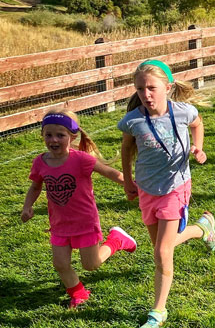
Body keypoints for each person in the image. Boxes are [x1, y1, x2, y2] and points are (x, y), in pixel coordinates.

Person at [119, 60, 215, 328]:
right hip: (147, 190)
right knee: (162, 248)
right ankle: (201, 229)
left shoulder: (183, 111)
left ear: (168, 87)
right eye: (140, 89)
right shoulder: (133, 120)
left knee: (162, 252)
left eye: (152, 88)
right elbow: (126, 148)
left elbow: (198, 124)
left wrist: (198, 148)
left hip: (176, 187)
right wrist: (128, 180)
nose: (146, 94)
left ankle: (158, 311)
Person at [22, 108, 137, 309]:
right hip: (59, 224)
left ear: (72, 136)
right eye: (48, 135)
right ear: (42, 135)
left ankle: (117, 240)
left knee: (91, 265)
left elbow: (110, 172)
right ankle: (78, 293)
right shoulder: (40, 162)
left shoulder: (81, 160)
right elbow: (35, 186)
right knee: (60, 264)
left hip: (84, 222)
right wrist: (27, 206)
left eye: (60, 135)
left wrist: (132, 185)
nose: (53, 140)